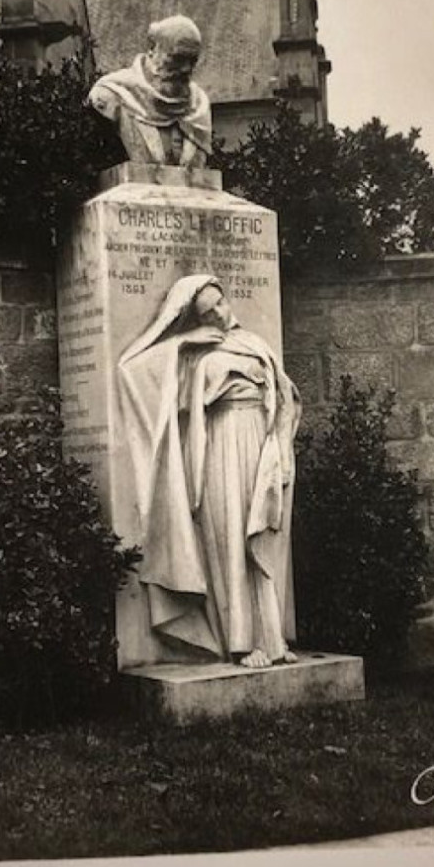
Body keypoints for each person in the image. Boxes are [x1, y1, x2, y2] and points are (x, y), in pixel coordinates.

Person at [118, 274, 301, 669]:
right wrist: (184, 342)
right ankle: (240, 642)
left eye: (220, 303)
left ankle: (272, 639)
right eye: (207, 311)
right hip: (218, 444)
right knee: (231, 535)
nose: (218, 314)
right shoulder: (188, 350)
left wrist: (280, 447)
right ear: (193, 318)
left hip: (259, 444)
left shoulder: (253, 343)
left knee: (262, 533)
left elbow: (285, 396)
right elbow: (130, 370)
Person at [88, 15, 212, 167]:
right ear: (153, 48)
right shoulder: (112, 93)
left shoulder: (199, 105)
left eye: (192, 61)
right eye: (177, 58)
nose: (186, 68)